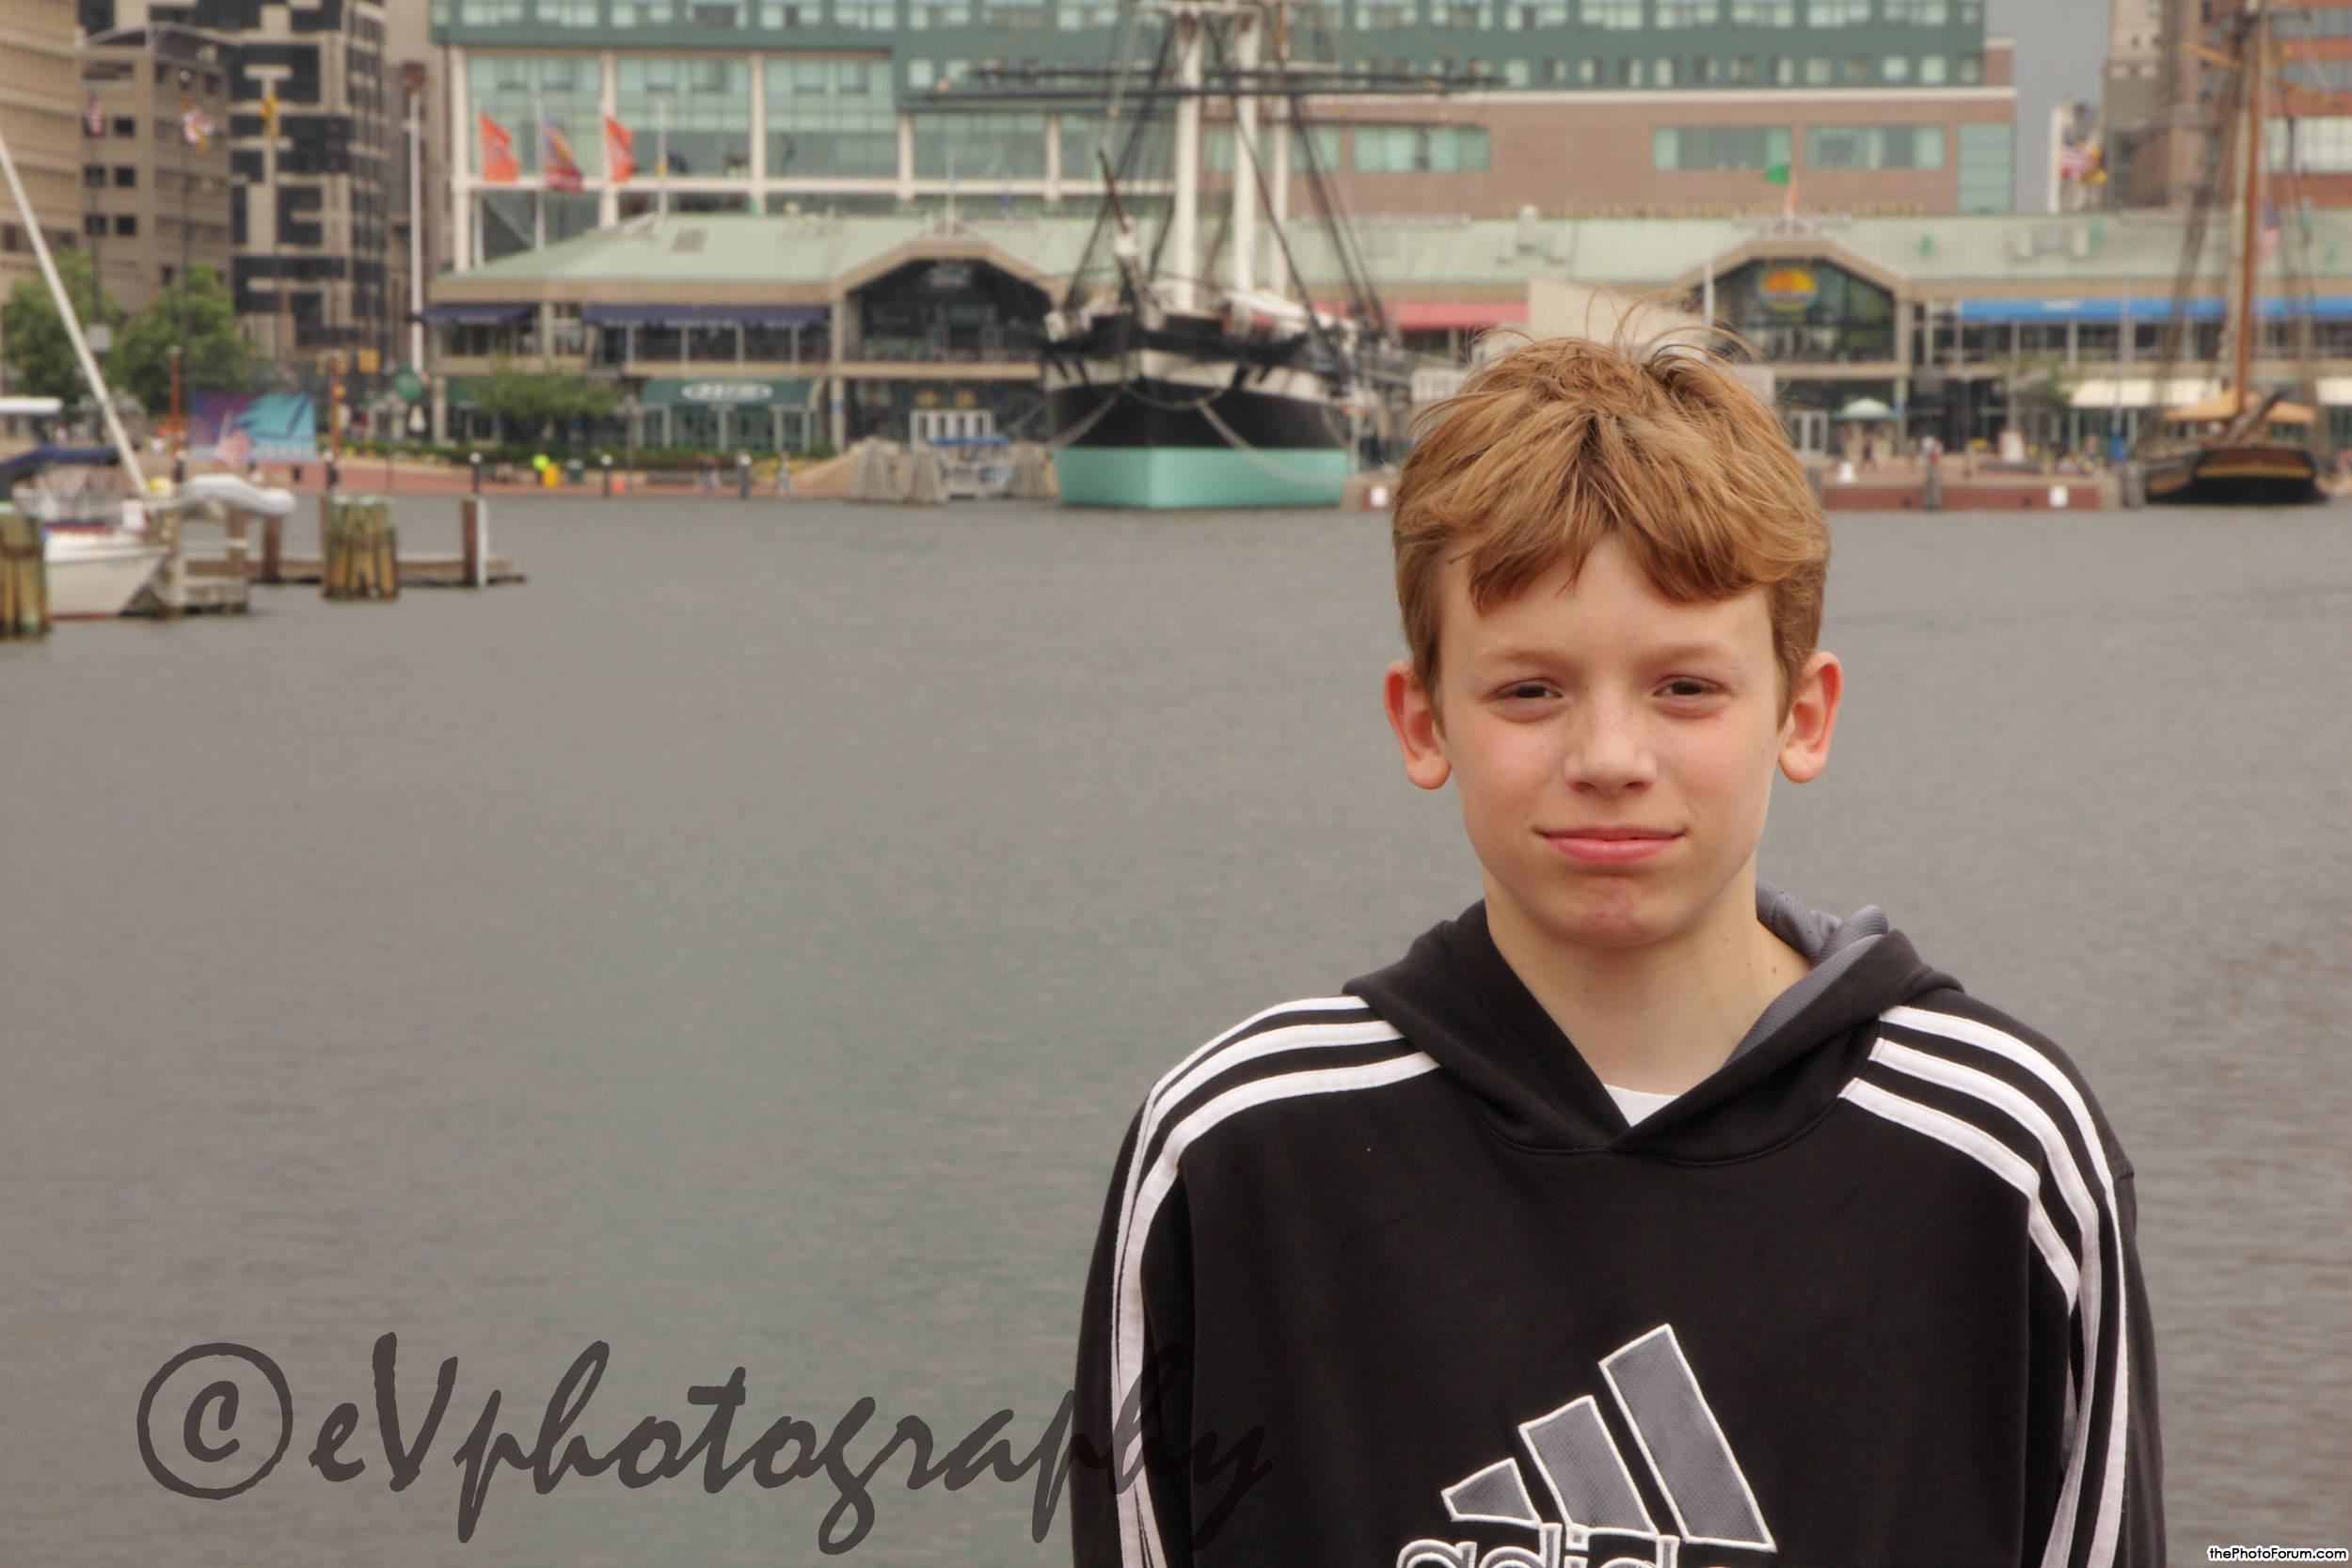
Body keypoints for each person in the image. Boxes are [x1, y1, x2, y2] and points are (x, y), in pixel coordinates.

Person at [1070, 331, 2163, 1568]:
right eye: (1530, 691)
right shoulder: (1238, 1153)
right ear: (1422, 722)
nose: (1608, 757)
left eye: (1686, 689)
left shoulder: (2002, 1157)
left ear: (1801, 715)